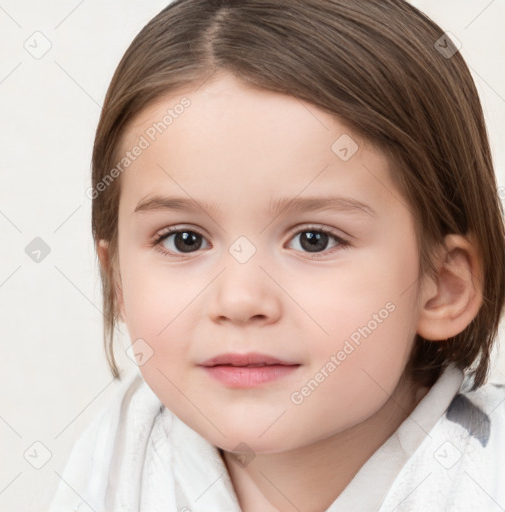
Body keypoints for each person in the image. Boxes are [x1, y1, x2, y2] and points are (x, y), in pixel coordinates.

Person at [50, 0, 505, 510]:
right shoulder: (115, 459)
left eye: (314, 239)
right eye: (185, 240)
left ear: (443, 286)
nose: (240, 300)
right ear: (120, 284)